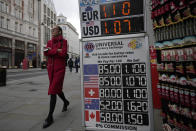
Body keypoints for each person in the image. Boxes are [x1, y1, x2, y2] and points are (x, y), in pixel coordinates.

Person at [43, 26, 69, 128]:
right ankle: (66, 102)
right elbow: (45, 52)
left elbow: (63, 53)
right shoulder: (49, 42)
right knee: (57, 89)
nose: (52, 31)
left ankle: (50, 117)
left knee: (53, 90)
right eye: (52, 30)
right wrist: (56, 50)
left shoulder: (64, 42)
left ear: (59, 31)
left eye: (54, 30)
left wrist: (53, 51)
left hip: (60, 69)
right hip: (50, 69)